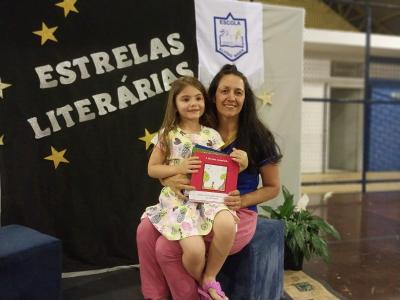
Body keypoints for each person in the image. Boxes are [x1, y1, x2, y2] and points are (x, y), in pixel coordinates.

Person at [137, 65, 282, 300]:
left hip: (234, 210)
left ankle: (200, 291)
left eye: (238, 92)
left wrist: (242, 199)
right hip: (194, 204)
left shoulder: (258, 136)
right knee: (145, 230)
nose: (231, 98)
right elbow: (172, 166)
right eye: (225, 91)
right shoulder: (200, 127)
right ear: (213, 95)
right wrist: (169, 178)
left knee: (166, 248)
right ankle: (155, 295)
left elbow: (273, 187)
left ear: (246, 97)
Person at [142, 76, 247, 300]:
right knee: (194, 251)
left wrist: (242, 162)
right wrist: (177, 168)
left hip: (210, 197)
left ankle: (210, 277)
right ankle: (204, 284)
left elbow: (224, 168)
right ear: (175, 104)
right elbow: (152, 169)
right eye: (186, 99)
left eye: (198, 98)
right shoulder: (167, 135)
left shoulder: (212, 135)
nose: (193, 103)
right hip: (180, 202)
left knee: (227, 223)